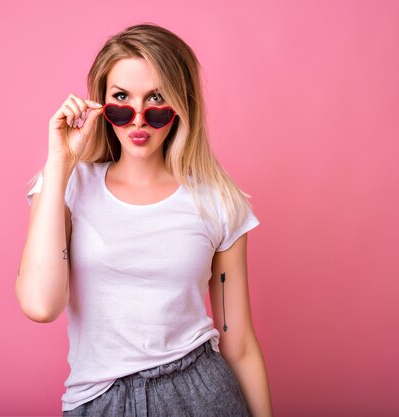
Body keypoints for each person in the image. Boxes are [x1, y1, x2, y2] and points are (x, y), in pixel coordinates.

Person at [16, 23, 273, 417]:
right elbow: (40, 304)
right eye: (121, 99)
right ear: (100, 104)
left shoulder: (220, 201)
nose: (137, 119)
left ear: (181, 105)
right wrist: (60, 162)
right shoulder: (65, 186)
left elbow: (237, 343)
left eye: (156, 99)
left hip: (200, 394)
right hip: (98, 400)